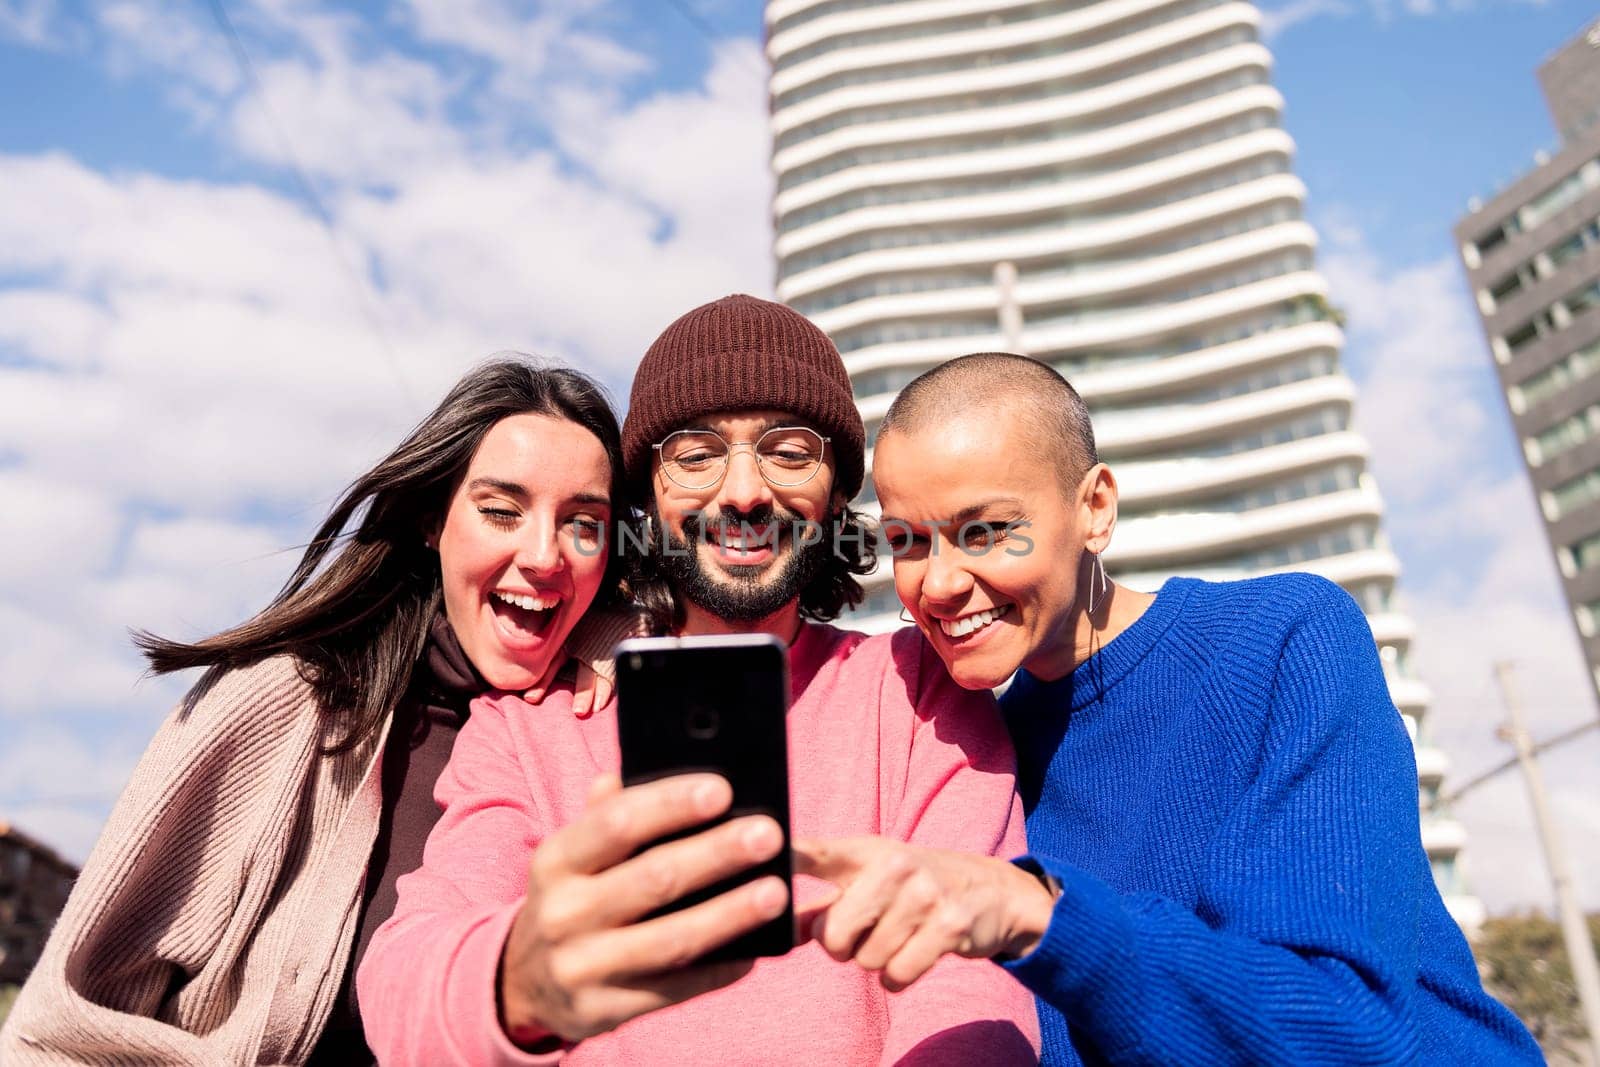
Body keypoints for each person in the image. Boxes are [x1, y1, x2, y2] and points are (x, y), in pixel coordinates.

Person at [794, 352, 1542, 1065]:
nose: (938, 582)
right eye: (908, 541)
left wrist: (1039, 913)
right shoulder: (973, 753)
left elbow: (1345, 1032)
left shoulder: (1281, 638)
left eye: (983, 530)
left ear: (1094, 507)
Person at [357, 296, 1041, 1064]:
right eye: (695, 453)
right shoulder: (524, 726)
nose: (743, 491)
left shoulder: (918, 691)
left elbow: (972, 998)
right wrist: (518, 981)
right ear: (645, 501)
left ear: (838, 495)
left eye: (787, 450)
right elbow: (402, 976)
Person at [0, 360, 633, 1065]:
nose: (545, 555)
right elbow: (55, 1031)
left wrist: (624, 634)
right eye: (501, 510)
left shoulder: (594, 719)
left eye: (584, 525)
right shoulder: (279, 705)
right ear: (432, 519)